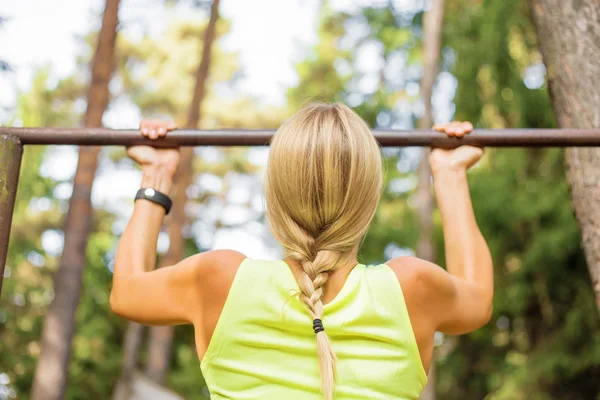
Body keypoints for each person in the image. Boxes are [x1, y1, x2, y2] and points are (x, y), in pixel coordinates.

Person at [110, 103, 493, 400]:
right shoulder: (414, 287)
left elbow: (127, 291)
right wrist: (450, 173)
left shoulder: (219, 280)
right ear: (367, 199)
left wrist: (156, 173)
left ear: (274, 197)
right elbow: (479, 294)